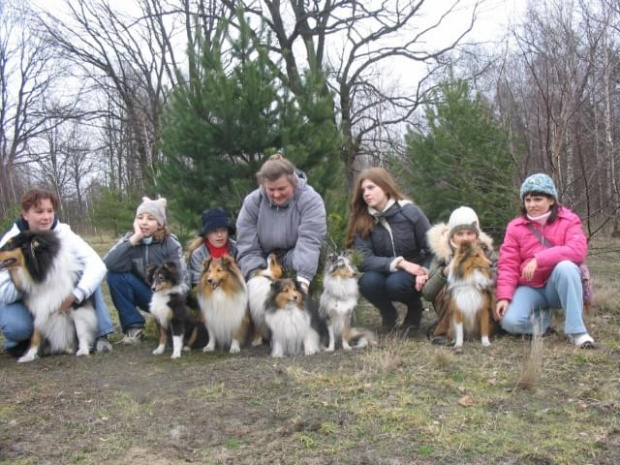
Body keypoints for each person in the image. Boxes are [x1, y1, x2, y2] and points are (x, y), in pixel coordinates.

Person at [0, 188, 114, 355]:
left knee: (87, 277)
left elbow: (98, 265)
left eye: (50, 211)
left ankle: (102, 334)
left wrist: (76, 294)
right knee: (17, 328)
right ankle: (23, 341)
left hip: (61, 294)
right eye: (39, 212)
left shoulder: (64, 233)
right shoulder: (11, 241)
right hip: (24, 297)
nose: (46, 217)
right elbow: (3, 292)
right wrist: (35, 285)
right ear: (25, 214)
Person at [494, 173, 595, 348]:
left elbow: (577, 251)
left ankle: (577, 332)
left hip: (558, 287)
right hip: (530, 287)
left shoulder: (569, 220)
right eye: (528, 200)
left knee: (567, 267)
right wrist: (504, 296)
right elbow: (508, 265)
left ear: (551, 200)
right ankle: (543, 321)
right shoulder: (515, 227)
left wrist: (538, 259)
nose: (532, 205)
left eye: (538, 199)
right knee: (510, 323)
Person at [345, 167, 432, 334]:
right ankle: (388, 312)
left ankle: (414, 309)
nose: (366, 194)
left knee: (396, 284)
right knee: (367, 282)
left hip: (414, 271)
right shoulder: (363, 218)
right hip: (383, 269)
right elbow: (362, 258)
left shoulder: (410, 212)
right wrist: (399, 263)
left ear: (385, 187)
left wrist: (425, 271)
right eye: (363, 190)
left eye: (371, 187)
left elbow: (432, 248)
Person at [236, 154, 326, 292]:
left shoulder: (311, 200)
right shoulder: (252, 202)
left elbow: (309, 240)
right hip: (264, 261)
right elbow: (248, 247)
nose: (276, 195)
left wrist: (302, 282)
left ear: (293, 182)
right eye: (271, 190)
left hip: (296, 258)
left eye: (282, 189)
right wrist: (257, 277)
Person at [104, 196, 187, 343]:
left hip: (168, 298)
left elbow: (182, 280)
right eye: (140, 217)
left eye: (150, 218)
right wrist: (134, 239)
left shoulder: (170, 244)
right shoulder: (130, 240)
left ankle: (170, 327)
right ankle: (134, 327)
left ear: (160, 223)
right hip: (145, 293)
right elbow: (109, 263)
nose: (144, 222)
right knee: (114, 276)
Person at [420, 206, 496, 345]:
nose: (465, 238)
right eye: (460, 233)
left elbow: (500, 274)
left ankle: (486, 329)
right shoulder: (442, 255)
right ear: (452, 235)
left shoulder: (486, 251)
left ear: (477, 235)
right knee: (450, 293)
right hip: (452, 305)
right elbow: (427, 293)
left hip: (480, 304)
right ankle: (446, 332)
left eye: (469, 233)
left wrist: (486, 278)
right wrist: (444, 273)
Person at [187, 208, 238, 287]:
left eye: (223, 230)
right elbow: (197, 283)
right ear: (206, 234)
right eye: (215, 231)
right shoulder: (198, 255)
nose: (220, 235)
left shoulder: (237, 249)